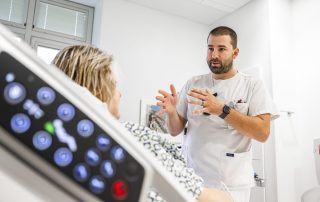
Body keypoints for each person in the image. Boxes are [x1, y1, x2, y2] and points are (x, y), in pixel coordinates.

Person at [52, 45, 234, 202]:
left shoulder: (61, 150)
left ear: (235, 52)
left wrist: (175, 112)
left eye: (221, 49)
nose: (120, 94)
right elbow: (203, 197)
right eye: (114, 85)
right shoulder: (129, 137)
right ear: (98, 89)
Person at [156, 26, 279, 202]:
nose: (214, 55)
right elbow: (175, 130)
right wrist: (170, 112)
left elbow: (262, 133)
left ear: (235, 53)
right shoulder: (193, 83)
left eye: (221, 49)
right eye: (210, 48)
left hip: (232, 185)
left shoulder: (252, 86)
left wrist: (222, 110)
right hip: (192, 179)